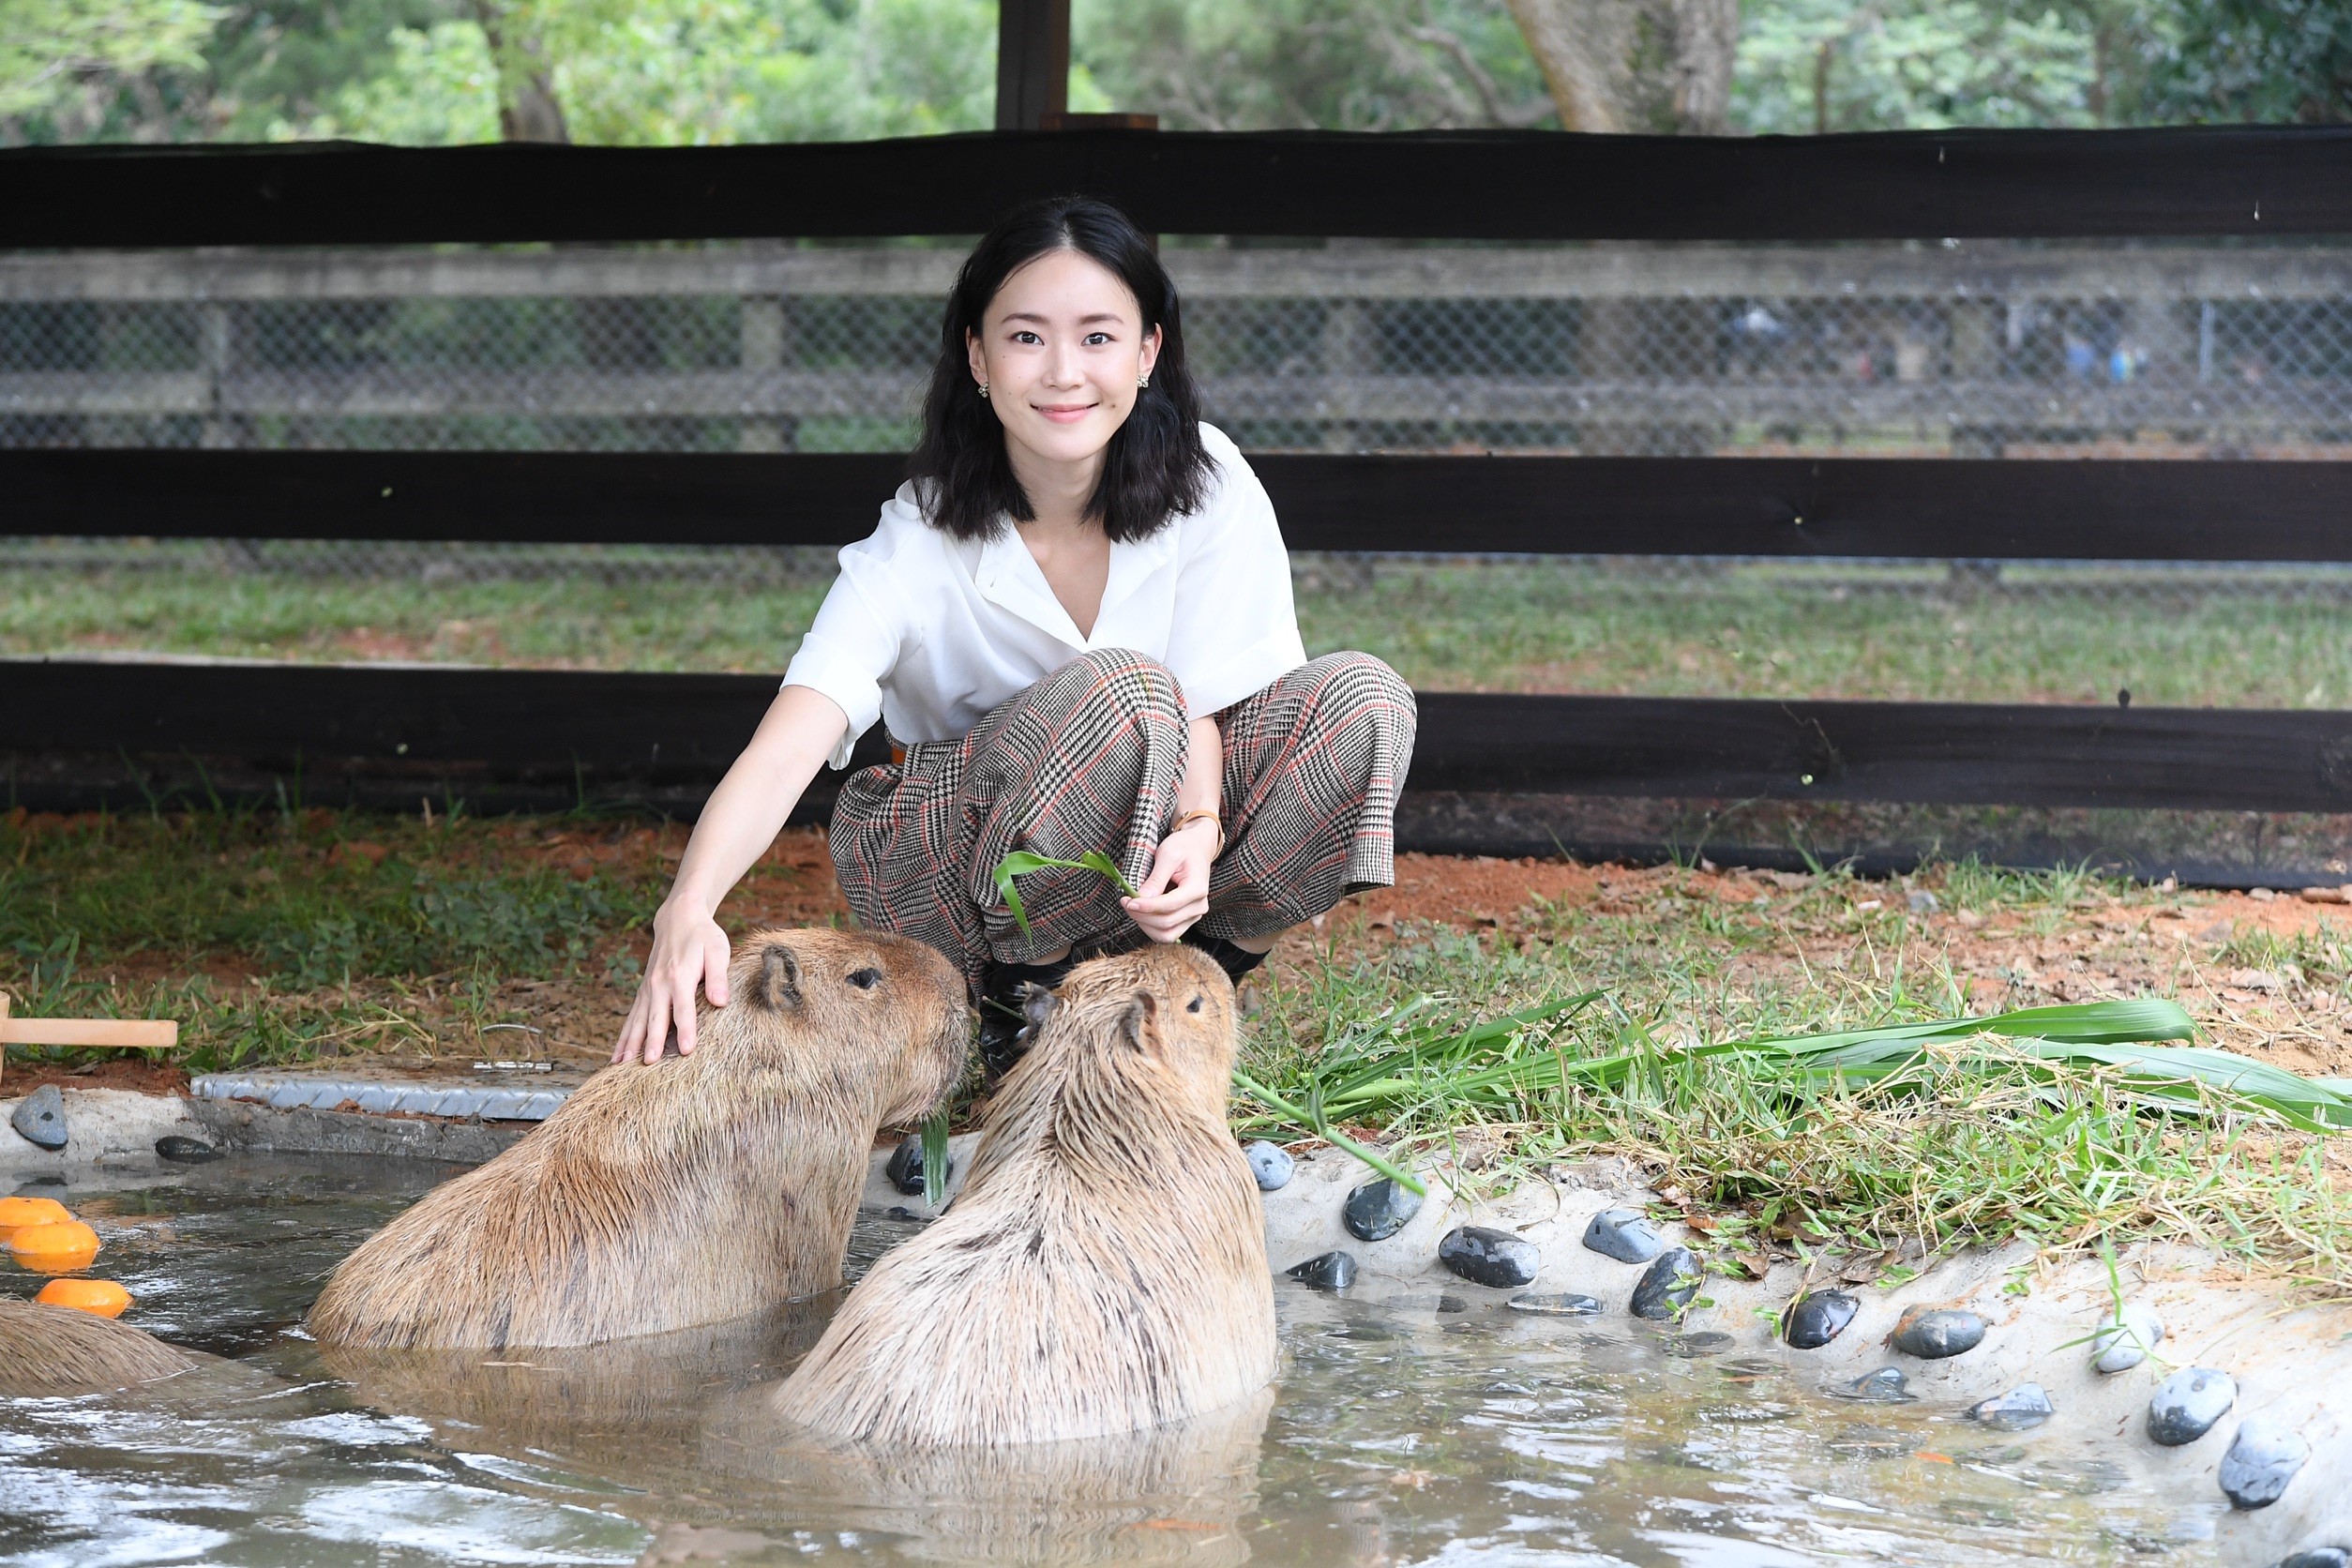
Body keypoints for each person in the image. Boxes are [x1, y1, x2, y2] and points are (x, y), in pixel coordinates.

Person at [613, 195, 1415, 1074]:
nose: (1065, 372)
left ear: (1148, 352)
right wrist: (687, 906)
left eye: (1099, 337)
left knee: (1362, 701)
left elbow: (1209, 696)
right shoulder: (918, 537)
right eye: (1028, 337)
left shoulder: (1208, 480)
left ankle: (1195, 992)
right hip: (953, 873)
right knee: (1124, 689)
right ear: (979, 357)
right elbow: (790, 739)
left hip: (1140, 854)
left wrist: (1198, 828)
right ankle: (1019, 1018)